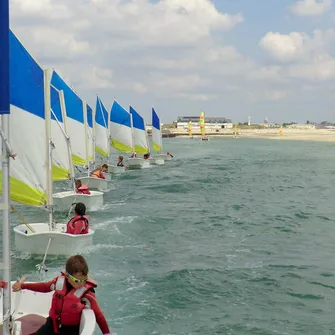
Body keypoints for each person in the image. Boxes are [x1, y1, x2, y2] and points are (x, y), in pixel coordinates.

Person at [12, 255, 111, 335]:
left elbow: (99, 315)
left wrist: (107, 333)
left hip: (70, 330)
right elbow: (44, 287)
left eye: (84, 280)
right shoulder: (59, 283)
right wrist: (23, 286)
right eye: (77, 280)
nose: (81, 283)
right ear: (67, 276)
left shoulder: (87, 293)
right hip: (53, 324)